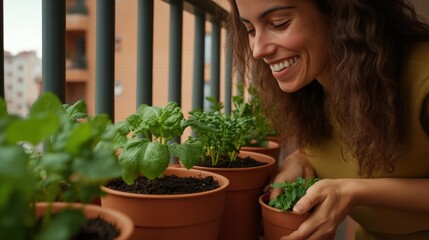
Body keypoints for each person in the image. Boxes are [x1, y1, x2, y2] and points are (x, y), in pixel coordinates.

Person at [226, 0, 429, 239]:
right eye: (250, 30)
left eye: (279, 24)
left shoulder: (422, 77)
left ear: (339, 13)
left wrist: (354, 191)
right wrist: (299, 160)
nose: (257, 50)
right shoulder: (312, 85)